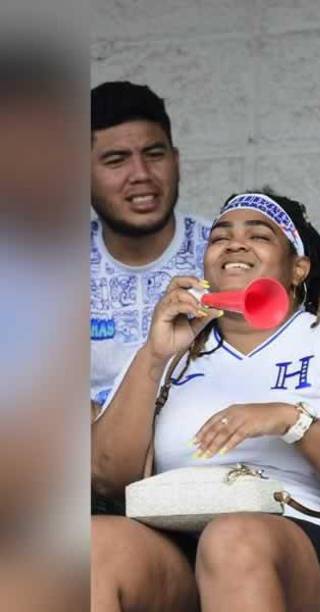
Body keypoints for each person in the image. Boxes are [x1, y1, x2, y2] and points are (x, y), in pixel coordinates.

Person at [90, 190, 320, 612]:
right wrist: (153, 357)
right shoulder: (167, 354)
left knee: (233, 538)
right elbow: (105, 478)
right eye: (219, 236)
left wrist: (293, 422)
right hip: (185, 546)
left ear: (298, 267)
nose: (235, 243)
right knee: (92, 547)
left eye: (259, 235)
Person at [90, 81, 211, 411]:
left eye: (154, 155)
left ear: (176, 161)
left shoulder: (225, 253)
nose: (141, 174)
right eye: (116, 160)